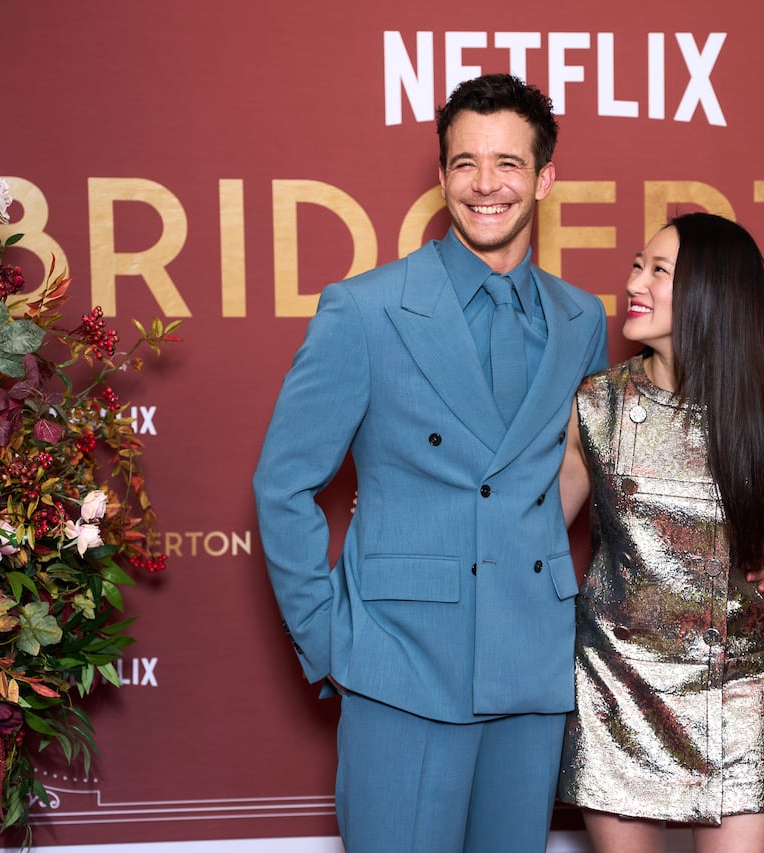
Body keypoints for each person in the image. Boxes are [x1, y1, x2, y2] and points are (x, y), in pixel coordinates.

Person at [252, 74, 609, 853]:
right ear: (441, 175)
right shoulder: (366, 309)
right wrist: (333, 638)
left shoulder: (584, 319)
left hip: (531, 660)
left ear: (545, 177)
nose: (486, 185)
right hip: (400, 661)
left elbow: (581, 475)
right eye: (464, 164)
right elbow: (283, 484)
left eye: (509, 164)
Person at [556, 212, 764, 853]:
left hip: (737, 692)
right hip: (616, 689)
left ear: (710, 293)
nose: (634, 282)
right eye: (637, 265)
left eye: (658, 271)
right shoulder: (597, 404)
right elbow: (529, 535)